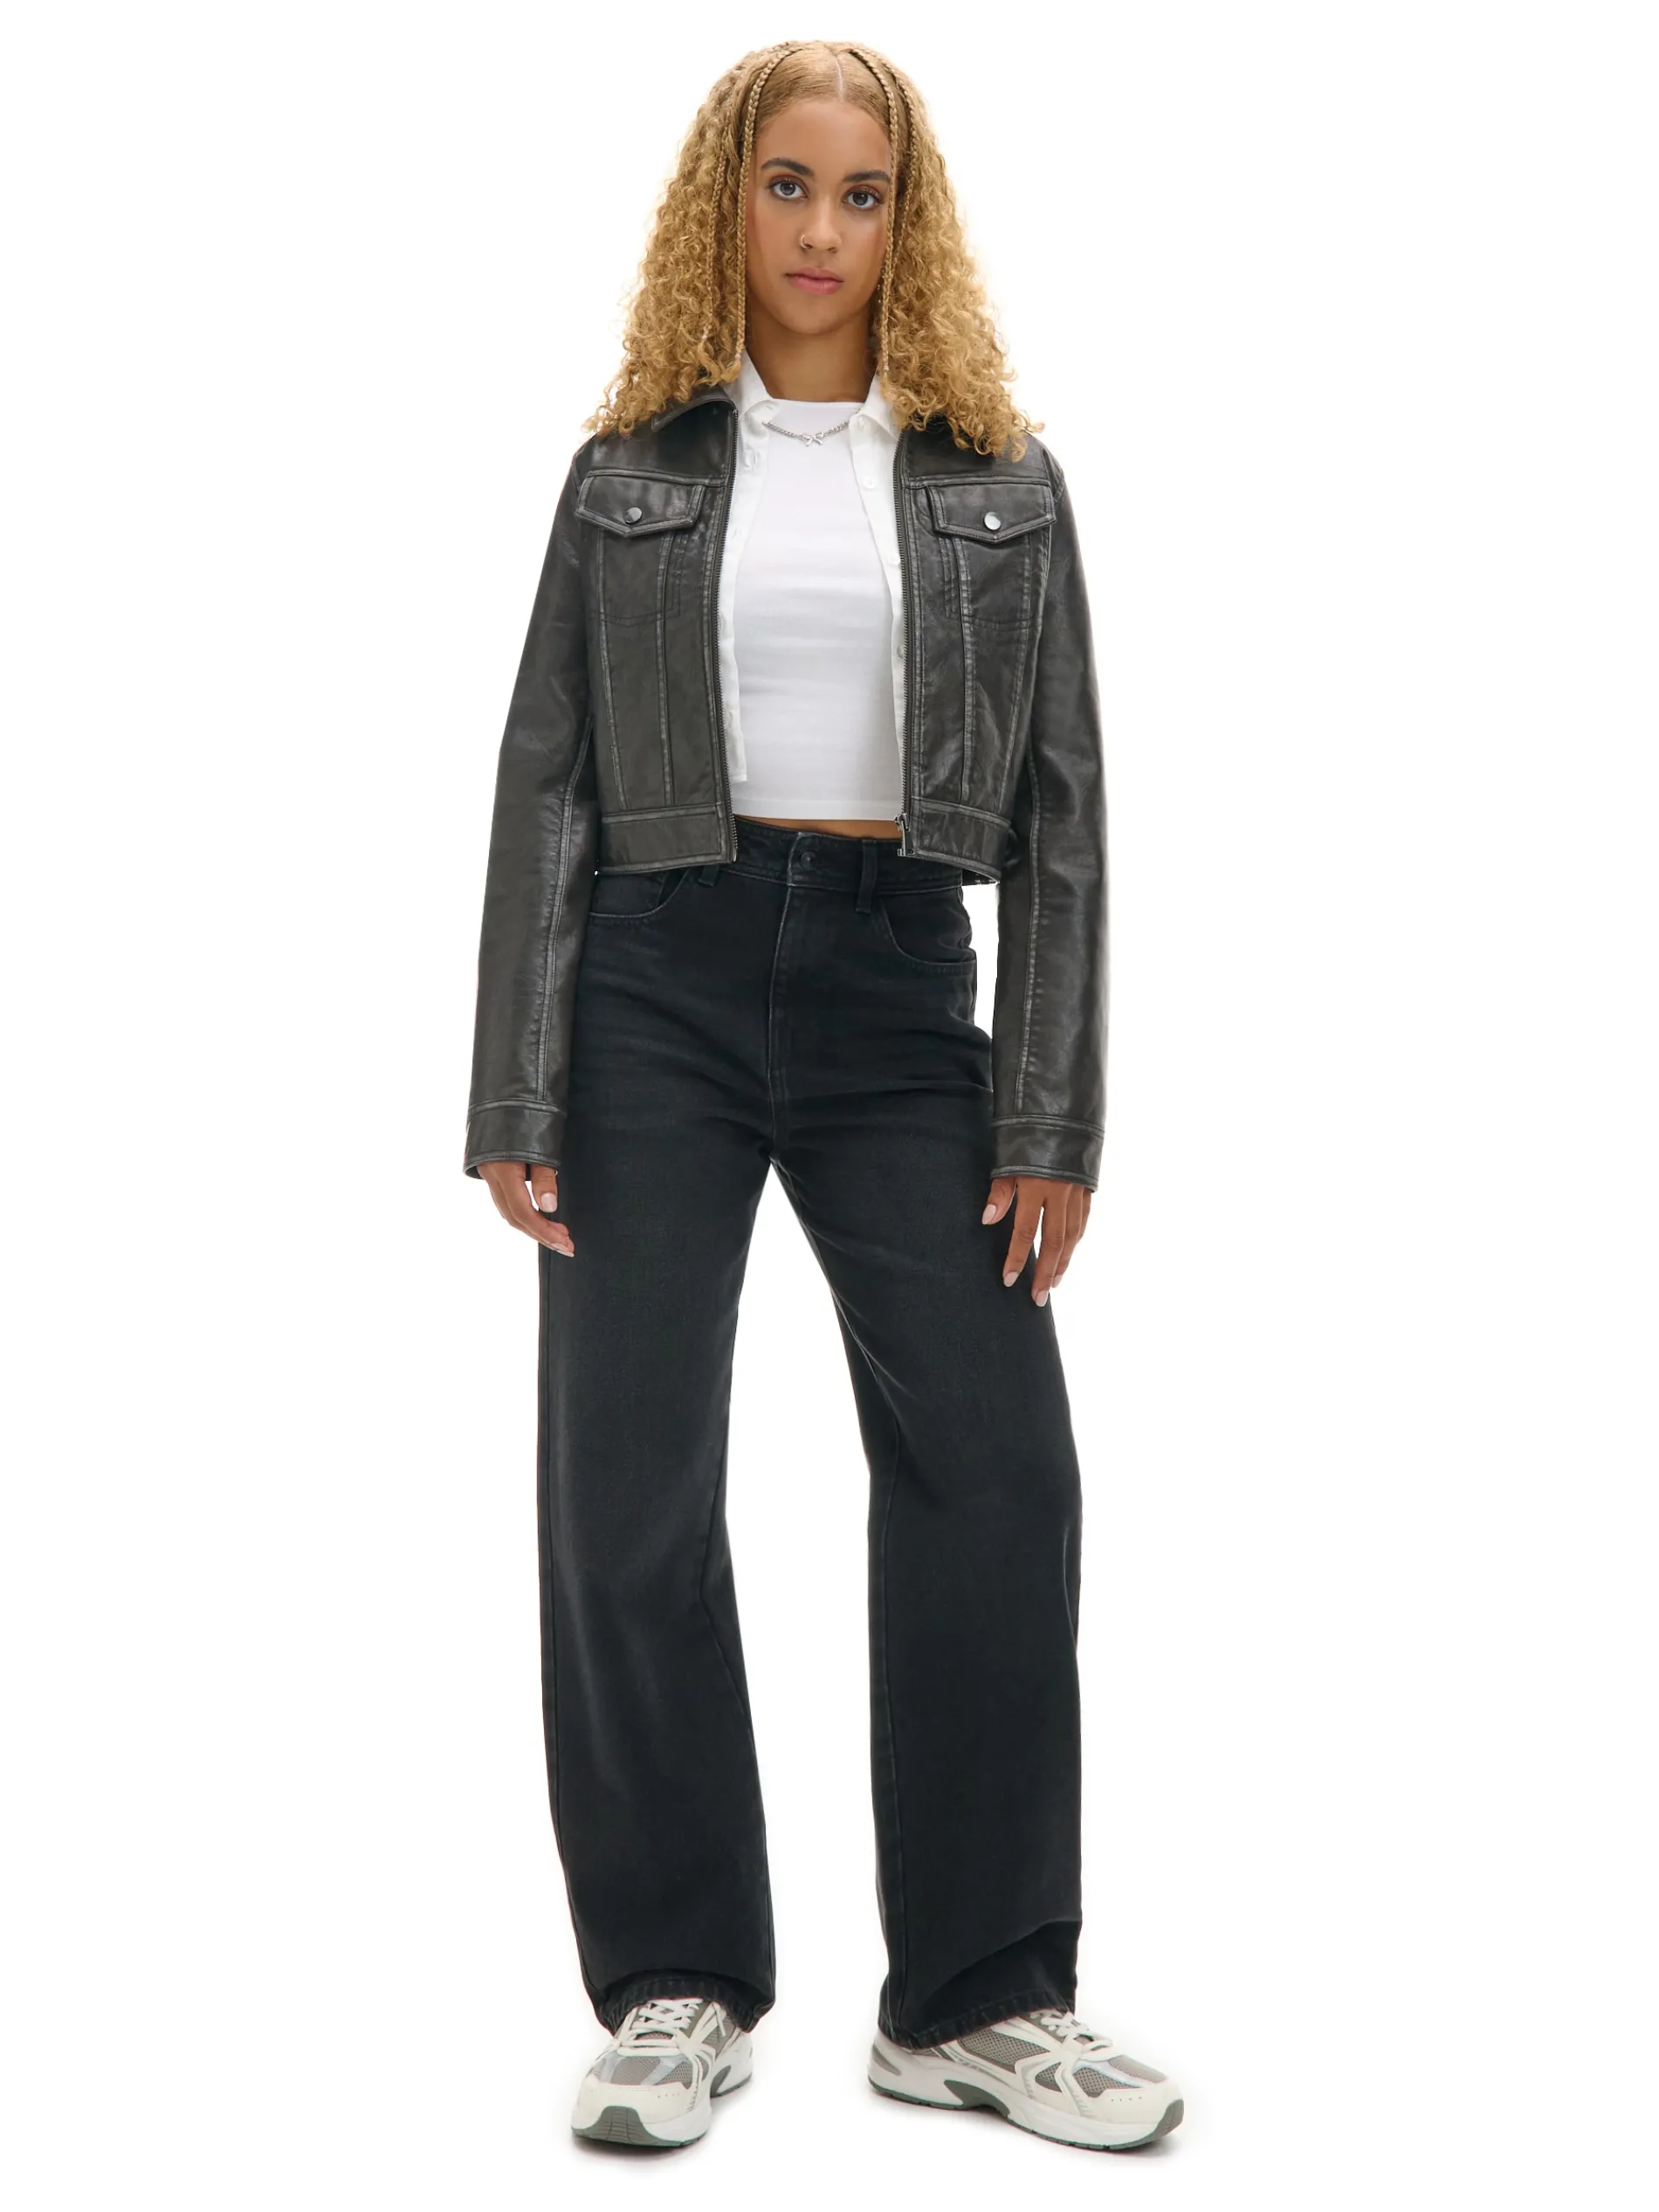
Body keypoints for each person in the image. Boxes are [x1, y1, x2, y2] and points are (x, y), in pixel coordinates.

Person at [464, 38, 1184, 2155]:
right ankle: (673, 1982)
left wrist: (1047, 1119)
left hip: (892, 989)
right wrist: (517, 1075)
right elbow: (544, 779)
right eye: (785, 185)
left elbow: (1064, 814)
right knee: (624, 1486)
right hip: (652, 988)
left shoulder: (994, 480)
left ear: (905, 220)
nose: (818, 231)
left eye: (859, 194)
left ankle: (978, 1993)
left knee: (994, 1469)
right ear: (728, 202)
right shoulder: (624, 473)